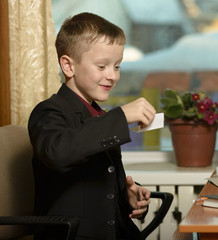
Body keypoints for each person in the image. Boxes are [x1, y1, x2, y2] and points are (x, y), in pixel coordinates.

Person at [28, 12, 156, 240]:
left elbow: (94, 183)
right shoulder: (48, 112)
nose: (113, 76)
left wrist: (125, 197)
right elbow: (57, 151)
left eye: (117, 67)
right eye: (102, 66)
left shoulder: (99, 116)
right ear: (68, 66)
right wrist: (120, 115)